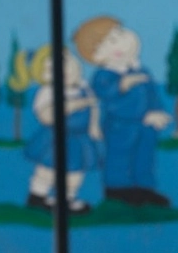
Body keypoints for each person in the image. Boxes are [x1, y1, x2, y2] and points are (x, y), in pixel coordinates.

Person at [72, 16, 172, 207]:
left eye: (119, 36)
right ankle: (118, 190)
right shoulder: (104, 75)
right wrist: (122, 85)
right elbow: (106, 95)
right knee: (120, 157)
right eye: (108, 42)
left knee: (144, 156)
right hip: (120, 127)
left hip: (145, 126)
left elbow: (152, 95)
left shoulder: (141, 70)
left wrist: (157, 112)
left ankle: (144, 189)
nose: (119, 43)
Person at [14, 45, 101, 214]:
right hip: (55, 138)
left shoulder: (84, 87)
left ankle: (67, 199)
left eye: (63, 62)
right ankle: (37, 197)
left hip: (80, 139)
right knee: (48, 169)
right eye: (49, 70)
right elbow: (47, 115)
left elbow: (94, 108)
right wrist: (75, 104)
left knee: (75, 172)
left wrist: (94, 127)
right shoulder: (48, 92)